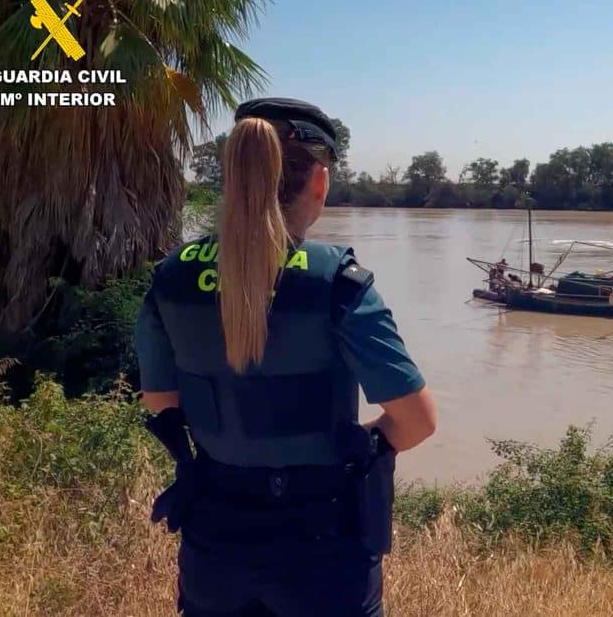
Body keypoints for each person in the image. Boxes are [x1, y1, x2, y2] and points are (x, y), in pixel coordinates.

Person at [135, 98, 437, 616]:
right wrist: (353, 446)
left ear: (233, 179)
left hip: (215, 540)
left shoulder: (172, 276)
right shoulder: (337, 283)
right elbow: (416, 421)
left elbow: (160, 402)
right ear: (319, 182)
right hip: (320, 551)